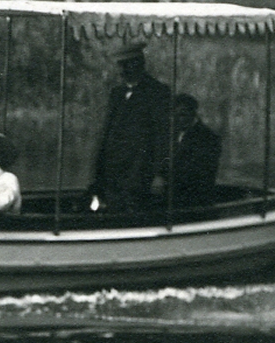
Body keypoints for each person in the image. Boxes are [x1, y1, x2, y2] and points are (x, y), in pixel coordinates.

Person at [89, 44, 172, 215]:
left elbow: (163, 137)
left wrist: (160, 174)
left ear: (139, 63)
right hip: (112, 174)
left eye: (127, 65)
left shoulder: (158, 92)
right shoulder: (117, 93)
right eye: (120, 65)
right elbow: (106, 134)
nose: (122, 70)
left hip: (139, 173)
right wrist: (96, 172)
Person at [168, 93, 223, 209]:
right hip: (175, 197)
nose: (177, 119)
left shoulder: (208, 138)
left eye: (182, 114)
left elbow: (200, 172)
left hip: (195, 199)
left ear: (193, 113)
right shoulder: (172, 135)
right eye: (174, 115)